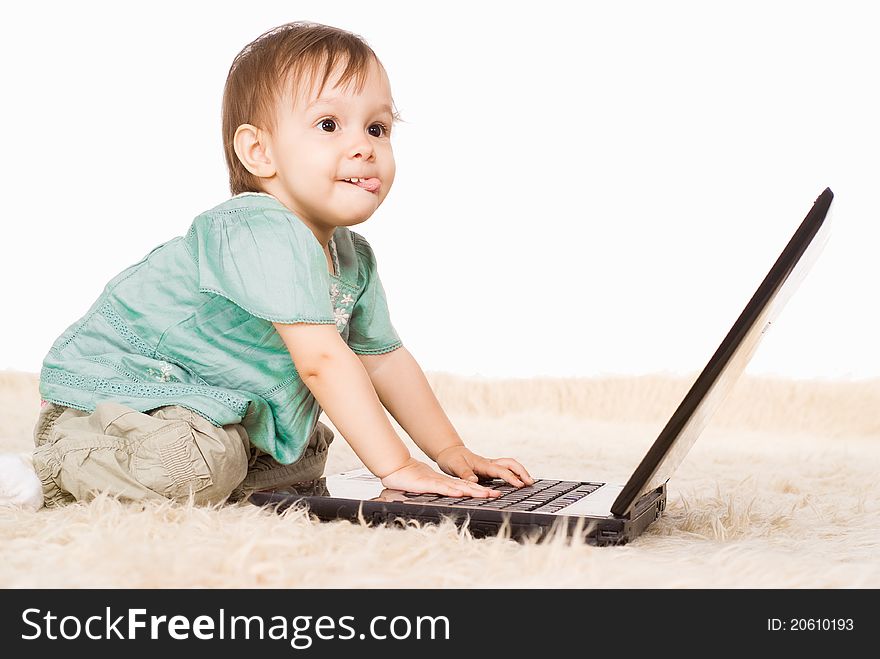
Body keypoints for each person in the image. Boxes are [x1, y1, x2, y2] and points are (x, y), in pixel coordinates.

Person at [22, 21, 533, 509]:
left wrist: (450, 453)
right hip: (125, 395)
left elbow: (385, 360)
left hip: (214, 405)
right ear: (259, 151)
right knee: (198, 465)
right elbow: (322, 362)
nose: (364, 146)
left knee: (306, 451)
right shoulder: (255, 228)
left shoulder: (352, 257)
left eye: (377, 127)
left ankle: (201, 461)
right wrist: (397, 466)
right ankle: (54, 465)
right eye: (329, 125)